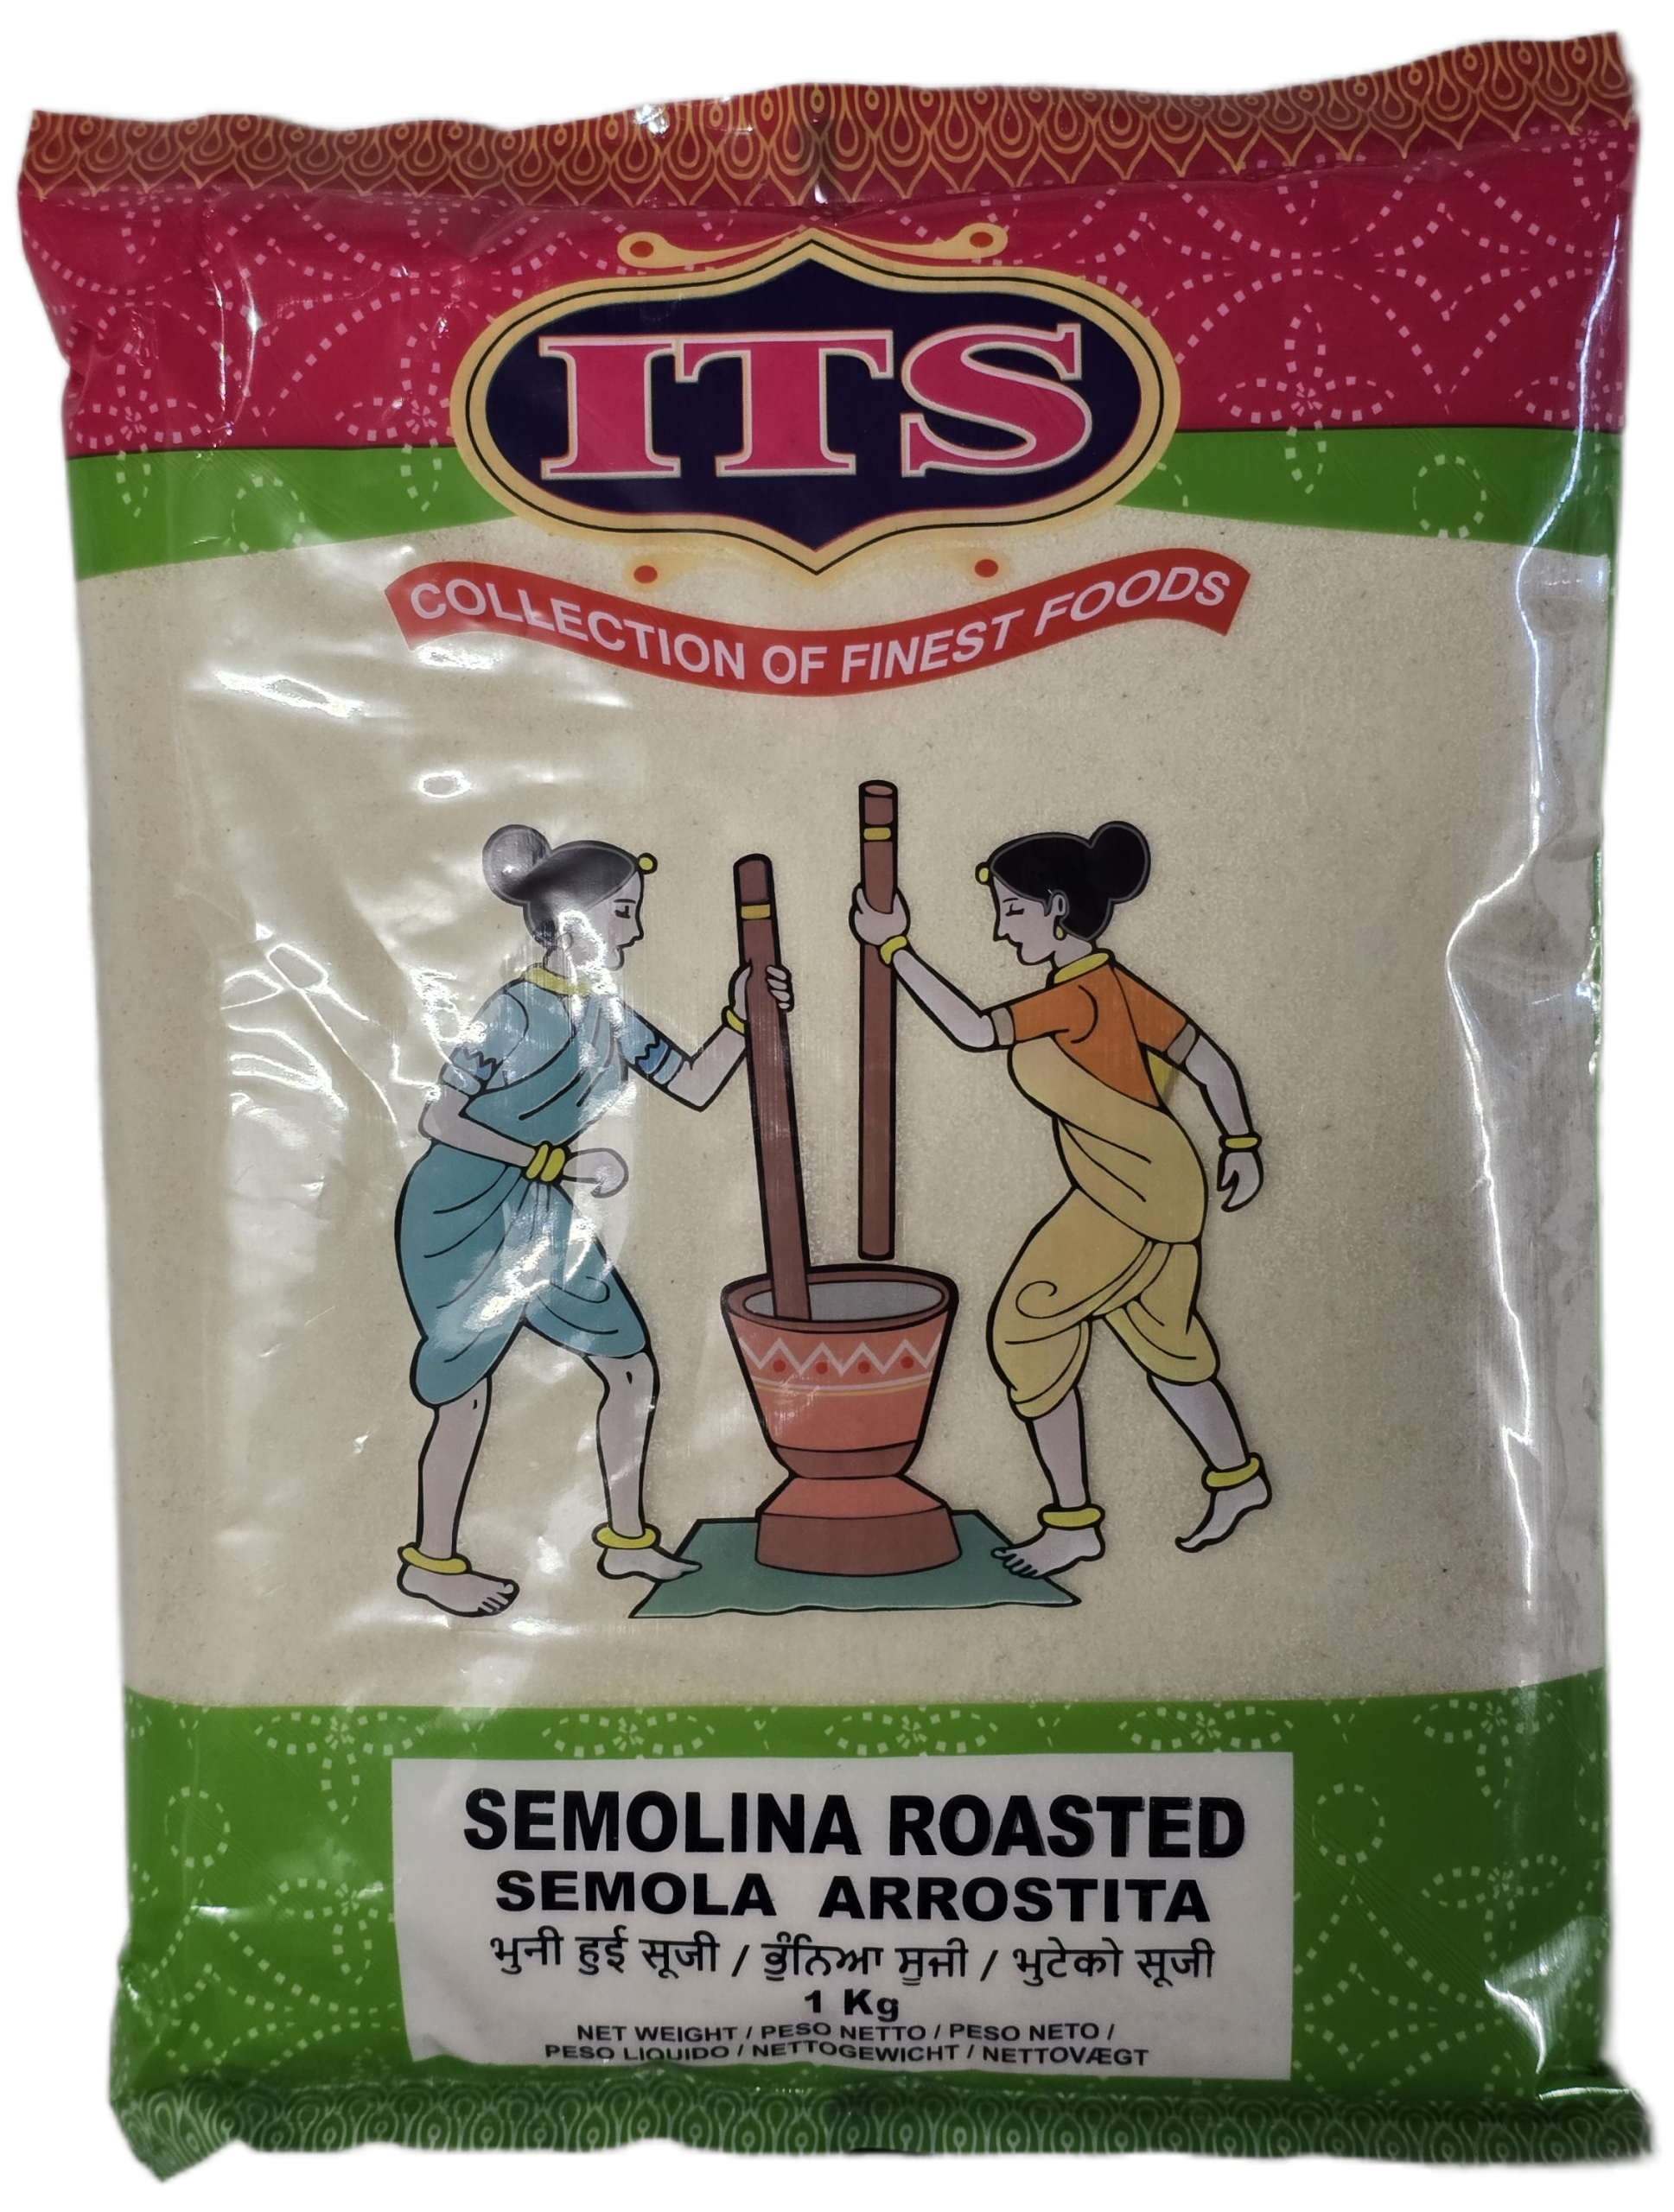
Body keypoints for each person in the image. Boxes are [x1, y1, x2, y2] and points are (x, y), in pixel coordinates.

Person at [851, 820, 1266, 1576]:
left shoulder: (1079, 998)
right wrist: (1237, 1143)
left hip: (1128, 1201)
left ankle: (1073, 1524)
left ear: (1056, 908)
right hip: (1157, 1191)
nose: (1001, 930)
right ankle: (1237, 1479)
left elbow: (976, 1031)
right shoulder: (1117, 988)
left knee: (1024, 1329)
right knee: (1167, 1344)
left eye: (1012, 911)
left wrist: (895, 949)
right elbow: (1207, 1061)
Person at [394, 826, 791, 1618]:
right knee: (462, 1394)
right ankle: (431, 1564)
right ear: (571, 921)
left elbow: (693, 1083)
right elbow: (440, 1118)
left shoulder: (612, 1016)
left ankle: (627, 1540)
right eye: (623, 911)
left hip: (538, 1210)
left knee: (630, 1366)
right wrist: (555, 1163)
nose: (633, 930)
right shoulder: (512, 1009)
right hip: (456, 1212)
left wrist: (743, 1018)